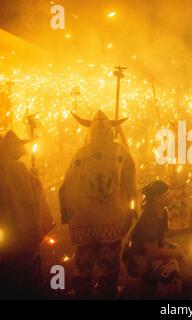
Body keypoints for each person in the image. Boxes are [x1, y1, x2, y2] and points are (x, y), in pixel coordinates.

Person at [59, 110, 136, 299]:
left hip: (84, 217)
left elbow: (68, 182)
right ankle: (106, 293)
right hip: (111, 217)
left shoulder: (81, 154)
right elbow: (130, 180)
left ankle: (82, 293)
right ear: (111, 130)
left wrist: (67, 210)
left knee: (83, 260)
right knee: (108, 260)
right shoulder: (119, 152)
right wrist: (132, 205)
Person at [0, 130, 54, 298]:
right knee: (27, 275)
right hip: (25, 235)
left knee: (6, 272)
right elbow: (38, 199)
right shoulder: (22, 170)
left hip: (1, 235)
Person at [123, 180, 186, 298]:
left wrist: (179, 246)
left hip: (148, 253)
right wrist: (178, 252)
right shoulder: (149, 218)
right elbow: (152, 252)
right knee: (171, 266)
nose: (170, 196)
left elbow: (162, 239)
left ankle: (154, 282)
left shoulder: (162, 212)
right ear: (157, 198)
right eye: (166, 194)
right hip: (137, 259)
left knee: (175, 252)